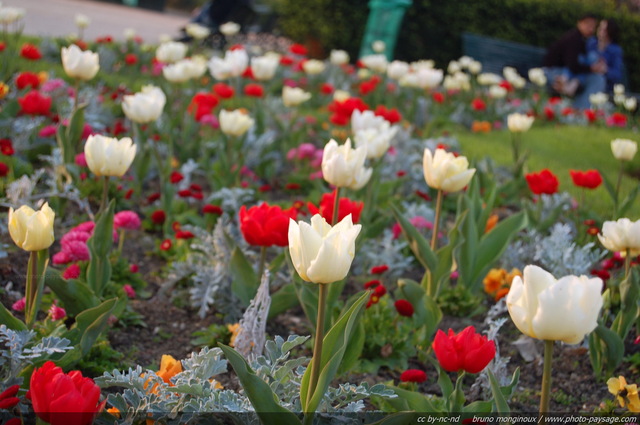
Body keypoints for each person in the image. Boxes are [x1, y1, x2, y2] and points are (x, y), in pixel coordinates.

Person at [543, 14, 606, 109]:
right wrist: (591, 68)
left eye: (593, 26)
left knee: (597, 78)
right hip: (554, 72)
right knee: (597, 80)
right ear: (580, 23)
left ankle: (579, 109)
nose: (591, 29)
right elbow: (572, 65)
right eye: (588, 25)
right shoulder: (573, 39)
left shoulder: (585, 41)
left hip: (571, 75)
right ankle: (579, 110)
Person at [585, 19, 624, 93]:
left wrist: (605, 70)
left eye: (604, 29)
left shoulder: (615, 51)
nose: (600, 30)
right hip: (587, 80)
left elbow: (617, 75)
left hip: (605, 87)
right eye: (600, 27)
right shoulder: (590, 43)